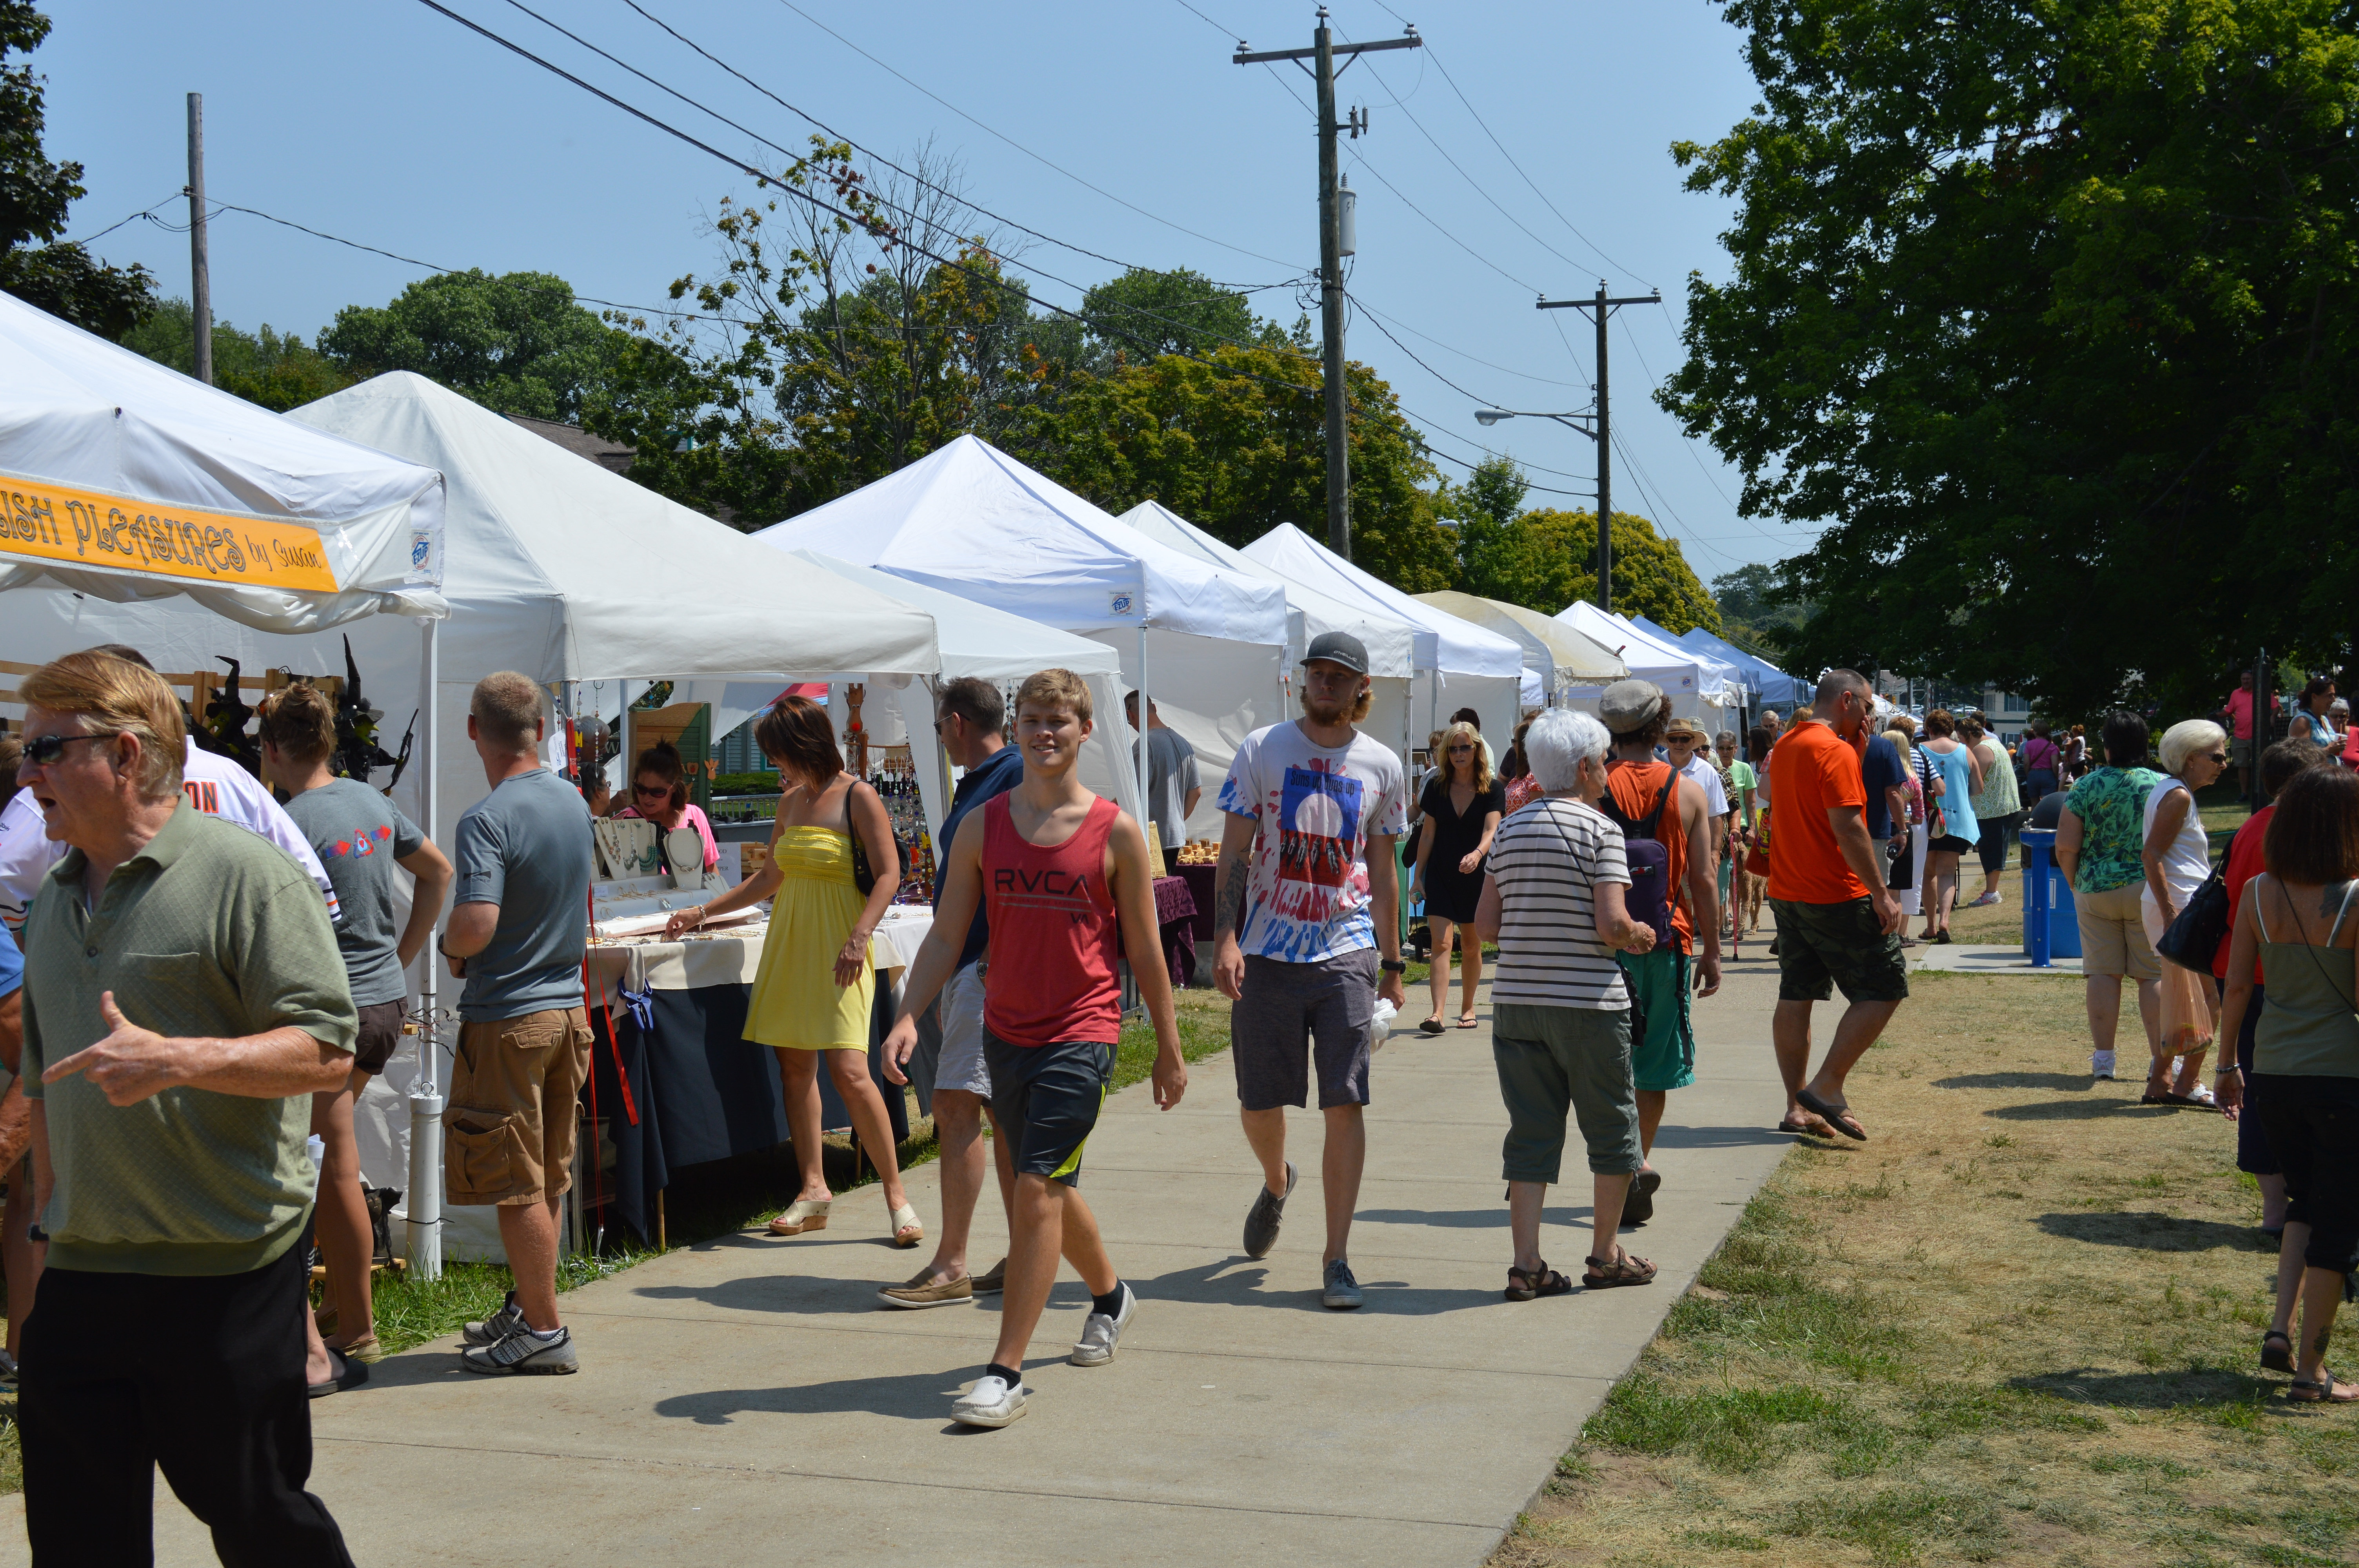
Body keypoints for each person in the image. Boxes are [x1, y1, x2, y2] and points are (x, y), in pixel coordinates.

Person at [13, 651, 357, 1562]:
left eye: (48, 746)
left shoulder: (248, 876)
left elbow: (327, 1049)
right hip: (86, 1274)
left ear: (126, 755)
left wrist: (180, 1058)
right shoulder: (51, 902)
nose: (26, 770)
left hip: (228, 1270)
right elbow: (45, 1082)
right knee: (79, 1536)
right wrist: (49, 1236)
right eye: (23, 746)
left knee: (259, 1518)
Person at [883, 669, 1186, 1427]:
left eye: (1060, 720)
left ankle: (1005, 1372)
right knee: (1043, 1182)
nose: (1045, 732)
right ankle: (1112, 1295)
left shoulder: (1114, 830)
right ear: (1015, 729)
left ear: (1086, 731)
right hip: (1005, 1029)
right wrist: (909, 1013)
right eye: (1032, 720)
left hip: (1082, 1031)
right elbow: (949, 934)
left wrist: (1170, 1048)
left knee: (1036, 1189)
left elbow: (1147, 954)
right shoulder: (985, 826)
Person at [671, 695, 918, 1248]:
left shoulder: (859, 796)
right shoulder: (790, 803)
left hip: (840, 948)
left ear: (802, 744)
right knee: (794, 1070)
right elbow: (769, 881)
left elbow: (888, 875)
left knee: (852, 1072)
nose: (774, 764)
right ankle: (813, 1188)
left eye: (777, 753)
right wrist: (702, 912)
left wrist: (859, 938)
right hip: (790, 945)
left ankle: (896, 1195)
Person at [257, 685, 453, 1368]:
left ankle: (355, 1329)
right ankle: (341, 1307)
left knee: (333, 1162)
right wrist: (401, 956)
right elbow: (439, 873)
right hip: (383, 1008)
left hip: (332, 1014)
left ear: (273, 749)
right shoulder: (372, 803)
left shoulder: (287, 822)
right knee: (329, 1153)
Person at [1212, 631, 1408, 1310]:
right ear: (1303, 681)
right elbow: (1234, 854)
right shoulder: (1263, 749)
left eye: (1339, 675)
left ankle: (1337, 1258)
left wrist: (1393, 958)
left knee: (1344, 1097)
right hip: (1266, 949)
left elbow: (1383, 872)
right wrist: (1225, 939)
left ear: (1361, 687)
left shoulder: (1382, 764)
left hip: (1345, 950)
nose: (1325, 684)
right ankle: (1275, 1180)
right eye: (1316, 673)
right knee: (1259, 1101)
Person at [438, 672, 596, 1376]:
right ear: (540, 726)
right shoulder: (571, 800)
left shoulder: (488, 817)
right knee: (548, 1175)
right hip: (567, 1011)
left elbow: (477, 922)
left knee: (513, 1181)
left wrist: (448, 945)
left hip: (509, 1017)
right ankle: (530, 1305)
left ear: (476, 729)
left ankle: (544, 1328)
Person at [1472, 708, 1659, 1298]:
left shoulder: (1510, 831)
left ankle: (1526, 1263)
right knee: (1610, 1130)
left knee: (1530, 1133)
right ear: (1583, 768)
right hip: (1589, 1007)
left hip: (1519, 1003)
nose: (1608, 772)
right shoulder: (1601, 832)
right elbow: (1611, 925)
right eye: (1603, 763)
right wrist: (1638, 934)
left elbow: (1487, 925)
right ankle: (1605, 1256)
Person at [0, 644, 341, 938]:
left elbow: (5, 875)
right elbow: (316, 890)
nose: (26, 776)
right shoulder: (233, 777)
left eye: (46, 748)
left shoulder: (72, 784)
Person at [2214, 764, 2359, 1402]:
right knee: (2336, 1224)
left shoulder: (2256, 892)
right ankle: (2312, 1371)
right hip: (2340, 1077)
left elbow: (2238, 986)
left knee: (2302, 1202)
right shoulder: (2353, 897)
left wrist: (2226, 1067)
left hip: (2272, 1072)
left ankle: (2281, 1331)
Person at [878, 677, 1023, 1308]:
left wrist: (986, 960)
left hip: (987, 971)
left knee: (959, 1105)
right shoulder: (992, 778)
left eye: (939, 727)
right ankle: (1022, 1253)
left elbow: (1018, 876)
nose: (938, 737)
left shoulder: (1009, 777)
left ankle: (953, 1264)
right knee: (991, 1113)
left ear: (958, 723)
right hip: (976, 967)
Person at [1765, 669, 1908, 1142]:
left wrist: (1858, 753)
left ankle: (1794, 1107)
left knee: (1796, 993)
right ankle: (1826, 1085)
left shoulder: (1788, 743)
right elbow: (1848, 829)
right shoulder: (1833, 750)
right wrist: (1881, 893)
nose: (1870, 716)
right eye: (1867, 707)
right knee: (1885, 986)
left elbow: (1791, 800)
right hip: (1835, 893)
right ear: (1846, 700)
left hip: (1788, 892)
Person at [1598, 680, 1721, 1221]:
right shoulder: (1688, 790)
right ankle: (1635, 1165)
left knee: (1604, 1067)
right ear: (1659, 725)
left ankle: (1617, 1167)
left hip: (1603, 943)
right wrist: (1713, 950)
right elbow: (1704, 877)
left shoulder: (1591, 787)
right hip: (1668, 940)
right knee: (1652, 1069)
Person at [2213, 740, 2330, 1249]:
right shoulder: (2322, 833)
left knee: (2261, 1091)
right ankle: (2311, 1200)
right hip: (2299, 976)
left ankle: (2274, 1209)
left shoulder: (2250, 828)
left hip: (2246, 973)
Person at [2057, 711, 2167, 1086]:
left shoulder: (2086, 786)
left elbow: (2066, 846)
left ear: (2106, 746)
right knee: (2152, 975)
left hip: (2095, 888)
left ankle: (2104, 1059)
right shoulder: (2163, 786)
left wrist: (2077, 886)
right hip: (2148, 888)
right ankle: (2160, 1061)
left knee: (2102, 973)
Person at [2141, 719, 2229, 1103]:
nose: (2223, 764)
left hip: (2174, 905)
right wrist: (2172, 912)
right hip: (2178, 907)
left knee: (2185, 999)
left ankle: (2161, 1080)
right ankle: (2185, 1082)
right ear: (2191, 758)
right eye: (2217, 757)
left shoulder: (2170, 790)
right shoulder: (2177, 796)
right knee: (2210, 999)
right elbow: (2151, 855)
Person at [1410, 720, 1504, 1033]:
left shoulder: (1492, 788)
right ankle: (1436, 1013)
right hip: (1441, 872)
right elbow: (1427, 835)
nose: (1459, 754)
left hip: (1477, 875)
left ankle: (1468, 1007)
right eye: (1453, 749)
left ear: (1476, 749)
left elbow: (1492, 830)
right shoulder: (1437, 787)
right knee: (1441, 942)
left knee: (1472, 945)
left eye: (1465, 747)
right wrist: (1418, 877)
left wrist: (1478, 855)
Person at [1915, 710, 1983, 944]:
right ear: (1951, 728)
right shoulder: (1965, 751)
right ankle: (1945, 920)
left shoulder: (1921, 750)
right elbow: (1978, 788)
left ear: (1929, 729)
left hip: (1928, 821)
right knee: (1947, 873)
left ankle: (1931, 925)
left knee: (1928, 874)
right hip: (1956, 821)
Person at [611, 739, 720, 878]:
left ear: (674, 787)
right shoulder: (625, 820)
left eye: (657, 792)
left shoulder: (695, 815)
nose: (647, 798)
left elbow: (711, 870)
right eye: (641, 789)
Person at [1125, 691, 1201, 876]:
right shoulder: (1182, 743)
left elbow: (1134, 792)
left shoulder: (1145, 744)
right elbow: (1196, 791)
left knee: (1151, 900)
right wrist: (1175, 820)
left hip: (1150, 841)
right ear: (1155, 709)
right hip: (1174, 837)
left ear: (1130, 715)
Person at [1965, 716, 2024, 908]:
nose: (1960, 742)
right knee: (1994, 850)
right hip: (2004, 805)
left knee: (1991, 852)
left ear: (1970, 735)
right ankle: (1991, 891)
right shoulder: (1995, 743)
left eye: (1961, 738)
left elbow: (1974, 780)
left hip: (1993, 809)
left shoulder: (1981, 750)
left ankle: (1992, 893)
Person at [1714, 729, 1759, 956]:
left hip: (1739, 825)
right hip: (1719, 827)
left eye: (1728, 748)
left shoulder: (1743, 769)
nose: (1724, 752)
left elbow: (1751, 801)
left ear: (1735, 749)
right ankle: (1728, 913)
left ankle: (1741, 914)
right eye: (1720, 748)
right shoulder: (1713, 770)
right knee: (1725, 873)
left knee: (1741, 875)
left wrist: (1752, 828)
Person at [1884, 717, 1928, 937]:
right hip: (1905, 832)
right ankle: (1899, 936)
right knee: (1897, 891)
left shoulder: (1878, 774)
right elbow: (1920, 814)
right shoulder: (1912, 778)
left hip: (1881, 830)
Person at [2223, 671, 2259, 800]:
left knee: (2261, 764)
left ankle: (2261, 793)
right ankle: (2244, 793)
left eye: (2248, 679)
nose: (2246, 681)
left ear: (2253, 679)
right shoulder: (2236, 694)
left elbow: (2275, 706)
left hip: (2257, 736)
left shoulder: (2260, 692)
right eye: (2243, 679)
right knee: (2242, 766)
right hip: (2240, 736)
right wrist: (2216, 716)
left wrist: (2272, 717)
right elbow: (2228, 711)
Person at [1503, 717, 1544, 817]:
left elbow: (1536, 814)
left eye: (1514, 741)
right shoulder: (1521, 775)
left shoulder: (1535, 776)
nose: (1513, 747)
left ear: (1523, 744)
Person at [2291, 676, 2339, 750]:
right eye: (2330, 696)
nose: (2334, 700)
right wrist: (2329, 750)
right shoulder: (2302, 721)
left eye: (2334, 695)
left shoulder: (2324, 719)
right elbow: (2301, 754)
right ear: (2314, 697)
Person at [2021, 721, 2060, 806]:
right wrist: (2055, 776)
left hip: (2033, 774)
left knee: (2034, 803)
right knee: (2047, 803)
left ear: (2035, 732)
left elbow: (2026, 763)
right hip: (2048, 774)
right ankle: (2046, 819)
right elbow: (2055, 765)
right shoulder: (2052, 746)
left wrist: (2029, 774)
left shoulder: (2029, 745)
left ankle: (2033, 819)